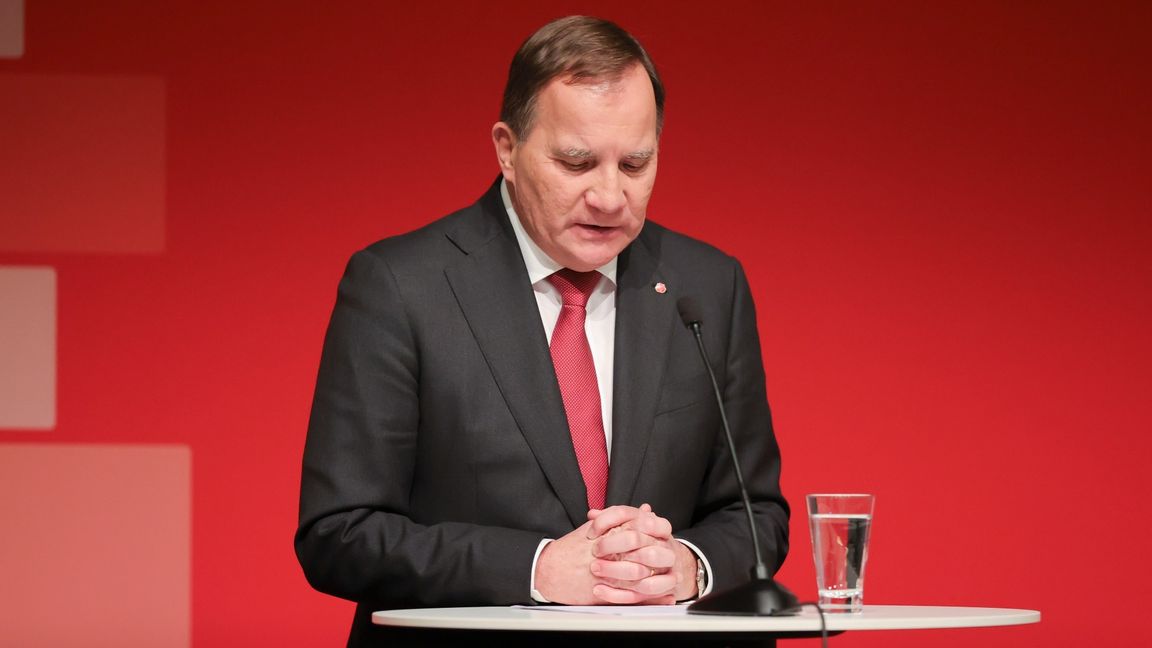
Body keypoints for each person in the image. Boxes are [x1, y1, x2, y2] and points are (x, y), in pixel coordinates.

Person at [296, 15, 789, 647]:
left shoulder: (707, 285)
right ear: (507, 148)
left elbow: (755, 514)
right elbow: (340, 533)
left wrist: (687, 565)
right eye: (577, 162)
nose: (610, 196)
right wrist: (535, 568)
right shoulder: (400, 285)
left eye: (636, 163)